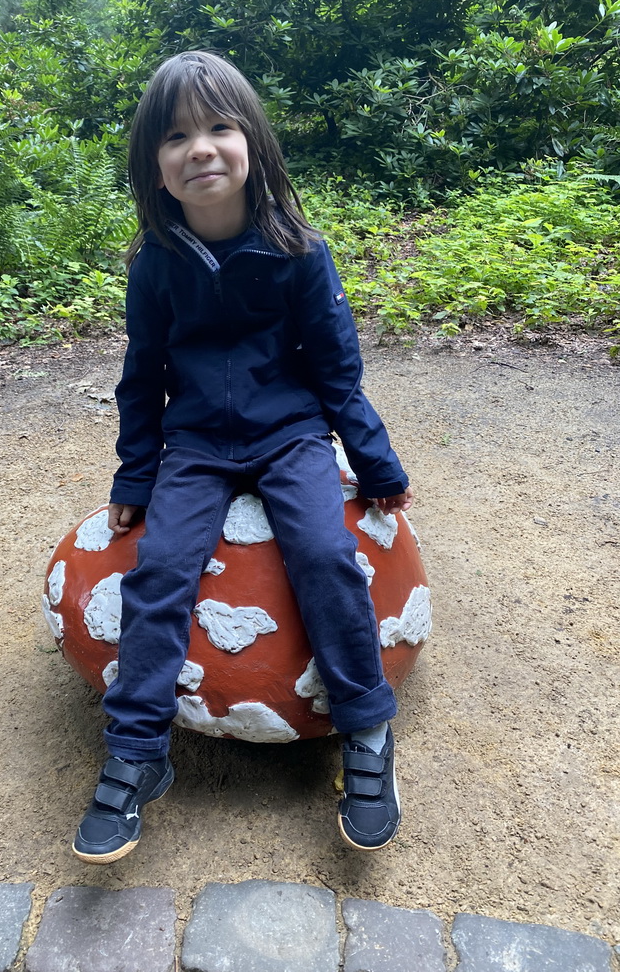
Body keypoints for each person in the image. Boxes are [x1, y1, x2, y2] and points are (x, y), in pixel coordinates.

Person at [73, 50, 414, 865]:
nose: (201, 148)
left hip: (290, 433)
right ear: (154, 166)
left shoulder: (298, 251)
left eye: (220, 126)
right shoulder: (154, 264)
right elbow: (142, 376)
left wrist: (375, 464)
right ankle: (137, 749)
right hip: (193, 445)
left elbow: (337, 370)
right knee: (157, 577)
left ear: (252, 140)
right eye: (177, 135)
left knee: (327, 556)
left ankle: (366, 726)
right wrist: (134, 474)